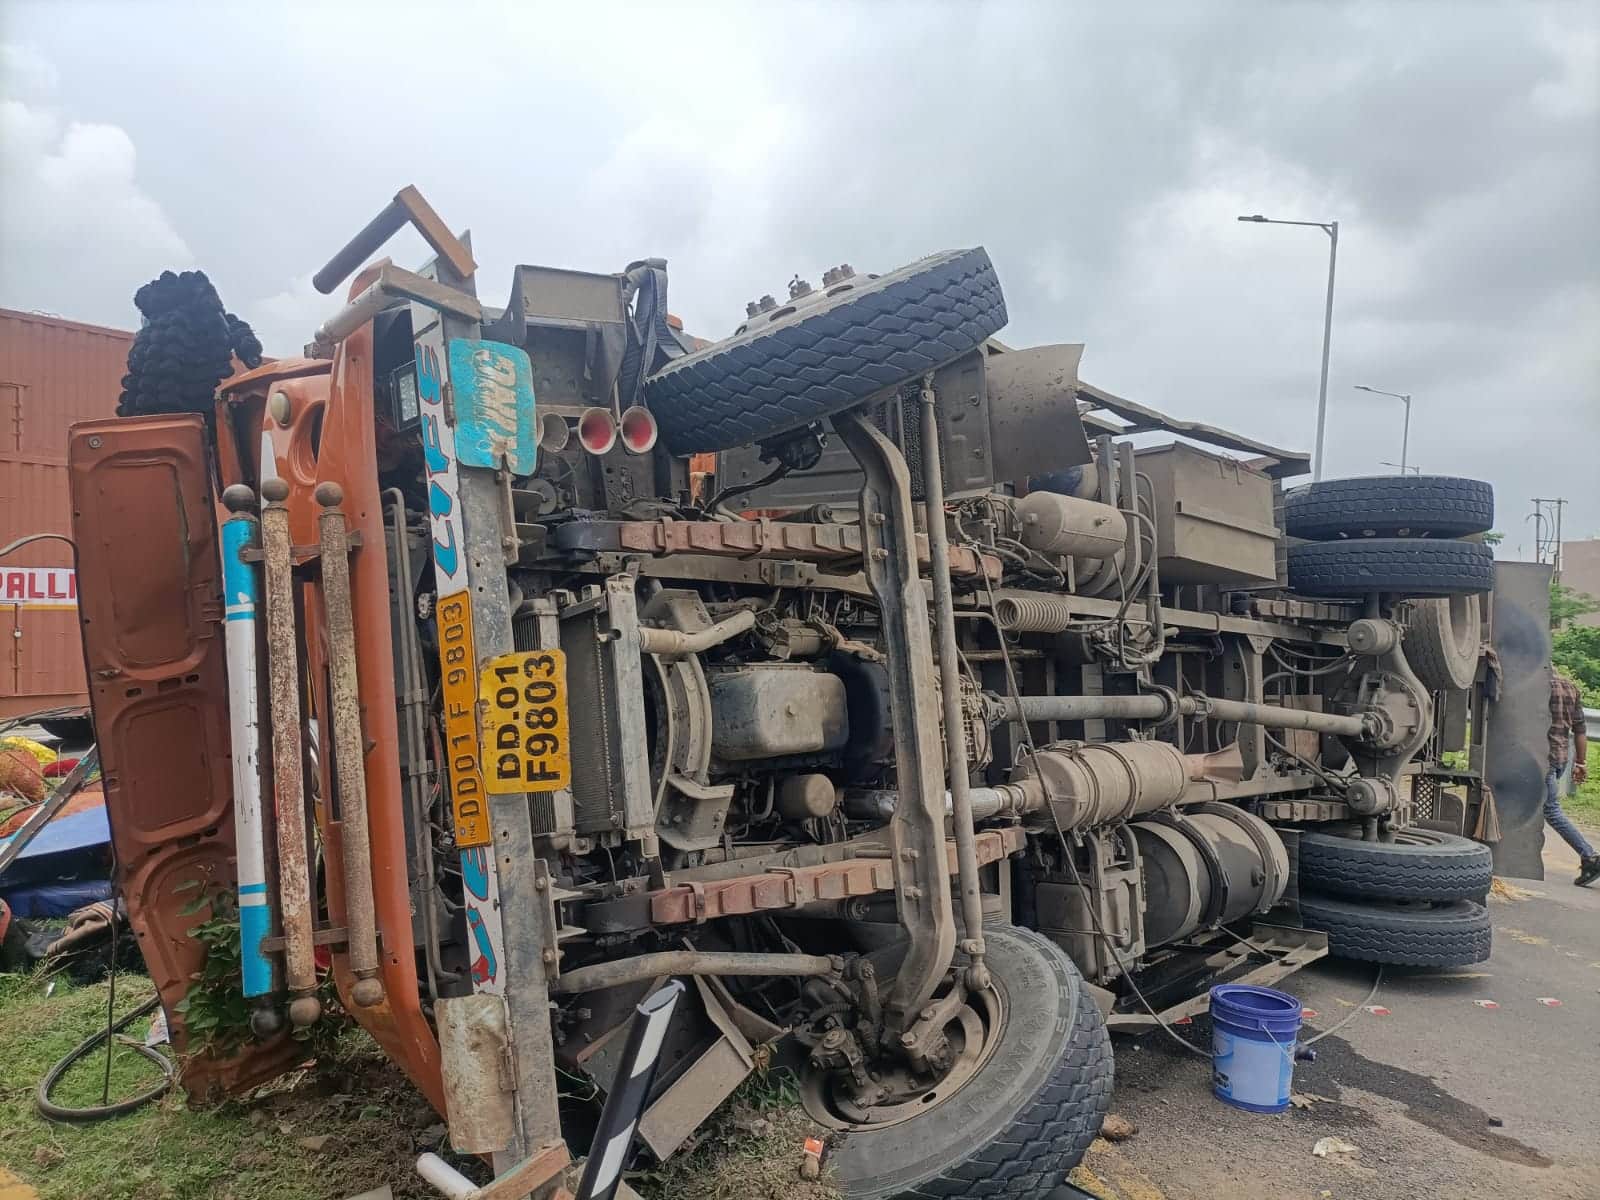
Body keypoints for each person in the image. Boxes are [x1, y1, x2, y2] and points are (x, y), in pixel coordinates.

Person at [1547, 669, 1598, 887]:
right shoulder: (1571, 687)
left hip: (1540, 758)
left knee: (1550, 809)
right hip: (1560, 758)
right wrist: (1581, 763)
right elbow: (1580, 730)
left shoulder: (1538, 686)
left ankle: (1590, 856)